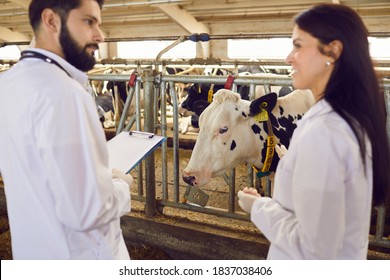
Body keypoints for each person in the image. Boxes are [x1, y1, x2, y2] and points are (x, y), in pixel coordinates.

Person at [238, 3, 390, 259]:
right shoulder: (349, 118)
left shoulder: (324, 131)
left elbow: (314, 249)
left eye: (298, 45)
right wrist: (296, 165)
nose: (289, 57)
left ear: (332, 51)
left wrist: (258, 207)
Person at [0, 0, 133, 259]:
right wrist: (119, 185)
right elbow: (86, 211)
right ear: (51, 21)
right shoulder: (64, 93)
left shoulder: (7, 84)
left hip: (34, 251)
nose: (100, 36)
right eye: (89, 21)